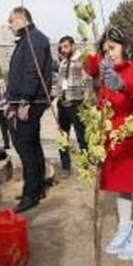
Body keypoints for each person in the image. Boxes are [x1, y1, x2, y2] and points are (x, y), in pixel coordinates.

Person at [85, 28, 133, 260]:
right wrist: (95, 49)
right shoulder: (107, 68)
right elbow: (89, 67)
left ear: (125, 47)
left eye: (113, 48)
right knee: (121, 185)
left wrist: (121, 82)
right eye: (105, 50)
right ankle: (125, 227)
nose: (110, 54)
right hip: (113, 135)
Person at [5, 6, 54, 213]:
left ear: (22, 19)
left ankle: (30, 194)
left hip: (30, 102)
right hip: (25, 101)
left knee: (26, 148)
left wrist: (24, 101)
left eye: (11, 21)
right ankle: (37, 188)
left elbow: (32, 72)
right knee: (32, 147)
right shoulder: (29, 39)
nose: (9, 25)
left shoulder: (34, 39)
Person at [55, 35, 89, 176]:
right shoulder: (62, 63)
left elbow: (88, 81)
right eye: (61, 47)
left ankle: (86, 165)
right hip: (63, 104)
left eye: (66, 46)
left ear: (73, 46)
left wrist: (85, 100)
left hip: (77, 103)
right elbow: (59, 82)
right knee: (63, 137)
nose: (63, 50)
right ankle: (65, 167)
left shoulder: (81, 60)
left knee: (82, 137)